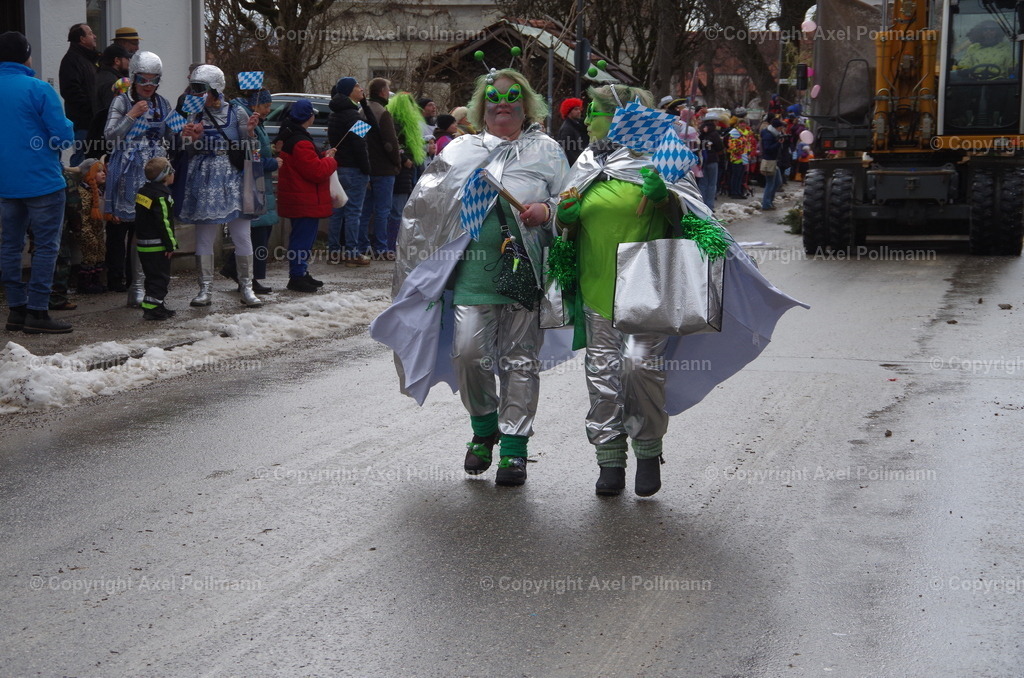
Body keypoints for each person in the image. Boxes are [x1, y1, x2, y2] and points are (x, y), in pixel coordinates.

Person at [555, 84, 807, 497]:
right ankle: (609, 460)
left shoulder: (658, 160)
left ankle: (649, 448)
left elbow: (693, 215)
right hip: (594, 286)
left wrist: (664, 199)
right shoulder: (586, 162)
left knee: (638, 366)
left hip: (647, 286)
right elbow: (562, 221)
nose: (586, 119)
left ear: (620, 116)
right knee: (602, 376)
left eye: (594, 112)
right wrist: (563, 217)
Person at [370, 69, 569, 487]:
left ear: (526, 104)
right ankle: (483, 428)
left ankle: (514, 447)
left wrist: (548, 211)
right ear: (481, 106)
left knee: (520, 360)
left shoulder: (548, 151)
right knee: (468, 354)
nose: (503, 103)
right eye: (494, 97)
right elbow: (425, 206)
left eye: (513, 96)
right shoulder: (461, 150)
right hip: (472, 274)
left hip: (526, 273)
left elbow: (570, 202)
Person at [0, 31, 75, 334]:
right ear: (26, 56)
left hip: (5, 183)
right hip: (42, 181)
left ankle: (16, 310)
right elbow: (63, 136)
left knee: (10, 246)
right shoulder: (38, 89)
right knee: (45, 247)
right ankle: (38, 312)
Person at [179, 64, 263, 307]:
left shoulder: (237, 112)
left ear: (214, 89)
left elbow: (252, 150)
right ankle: (205, 289)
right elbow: (187, 150)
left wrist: (250, 133)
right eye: (194, 90)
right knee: (204, 235)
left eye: (201, 90)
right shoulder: (192, 113)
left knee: (241, 234)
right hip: (204, 178)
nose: (196, 96)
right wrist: (190, 138)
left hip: (234, 178)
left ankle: (247, 287)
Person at [103, 51, 176, 306]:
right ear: (133, 78)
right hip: (129, 170)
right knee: (131, 228)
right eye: (143, 80)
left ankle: (150, 285)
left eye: (153, 80)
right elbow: (110, 137)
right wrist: (132, 114)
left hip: (155, 170)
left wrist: (189, 130)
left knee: (151, 226)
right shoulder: (122, 102)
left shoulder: (163, 103)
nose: (148, 86)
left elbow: (174, 133)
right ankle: (133, 286)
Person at [221, 85, 280, 294]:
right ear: (255, 103)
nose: (268, 110)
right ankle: (246, 277)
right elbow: (250, 155)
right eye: (265, 105)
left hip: (258, 181)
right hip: (253, 181)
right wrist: (273, 162)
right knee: (256, 234)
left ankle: (240, 273)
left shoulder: (255, 119)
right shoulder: (245, 119)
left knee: (259, 233)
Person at [275, 99, 338, 293]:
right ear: (309, 117)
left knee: (303, 238)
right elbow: (316, 171)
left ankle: (301, 272)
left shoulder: (292, 135)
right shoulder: (301, 141)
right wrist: (330, 161)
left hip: (300, 196)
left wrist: (322, 156)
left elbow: (307, 164)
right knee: (302, 240)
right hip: (303, 198)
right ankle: (297, 275)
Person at [326, 76, 371, 265]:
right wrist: (367, 169)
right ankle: (352, 252)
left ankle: (334, 250)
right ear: (349, 91)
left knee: (337, 211)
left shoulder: (334, 113)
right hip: (354, 168)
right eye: (357, 86)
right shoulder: (353, 115)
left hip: (339, 168)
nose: (361, 89)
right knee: (353, 212)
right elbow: (360, 145)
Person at [362, 77, 402, 259]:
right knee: (383, 211)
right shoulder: (382, 112)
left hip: (366, 167)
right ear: (382, 92)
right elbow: (390, 142)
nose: (389, 93)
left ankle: (362, 245)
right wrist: (396, 162)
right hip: (383, 169)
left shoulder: (362, 111)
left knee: (365, 210)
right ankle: (381, 248)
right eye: (388, 89)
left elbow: (359, 139)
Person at [133, 156, 177, 319]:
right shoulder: (161, 196)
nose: (174, 173)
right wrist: (170, 244)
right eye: (171, 171)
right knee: (160, 278)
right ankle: (153, 310)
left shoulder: (144, 192)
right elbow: (164, 222)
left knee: (151, 276)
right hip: (158, 245)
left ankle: (153, 304)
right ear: (165, 176)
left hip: (144, 244)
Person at [384, 92, 426, 260]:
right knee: (396, 210)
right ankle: (390, 245)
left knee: (400, 210)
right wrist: (404, 158)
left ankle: (394, 244)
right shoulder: (397, 123)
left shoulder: (400, 122)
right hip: (401, 171)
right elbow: (391, 144)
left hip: (406, 170)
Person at [59, 23, 99, 167]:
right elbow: (71, 91)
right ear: (82, 39)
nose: (94, 36)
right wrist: (90, 111)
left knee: (91, 161)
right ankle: (76, 188)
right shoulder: (71, 60)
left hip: (91, 122)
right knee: (81, 162)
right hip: (83, 123)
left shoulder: (88, 60)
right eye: (90, 33)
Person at [75, 158, 110, 293]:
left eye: (103, 171)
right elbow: (82, 217)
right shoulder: (83, 193)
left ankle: (96, 281)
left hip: (97, 230)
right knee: (90, 255)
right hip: (87, 231)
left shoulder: (97, 191)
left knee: (99, 252)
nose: (103, 174)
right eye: (98, 171)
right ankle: (85, 284)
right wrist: (87, 233)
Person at [697, 119, 723, 210]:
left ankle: (701, 204)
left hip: (702, 160)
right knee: (712, 184)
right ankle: (710, 205)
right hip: (713, 160)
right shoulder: (715, 134)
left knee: (703, 183)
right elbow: (720, 147)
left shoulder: (701, 135)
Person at [759, 118, 785, 210]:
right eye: (781, 127)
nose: (781, 129)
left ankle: (769, 201)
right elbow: (768, 148)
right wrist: (778, 143)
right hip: (769, 161)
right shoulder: (768, 135)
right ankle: (766, 204)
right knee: (770, 183)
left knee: (777, 182)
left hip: (773, 161)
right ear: (777, 127)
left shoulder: (771, 133)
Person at [555, 97, 588, 165]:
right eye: (575, 109)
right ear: (568, 111)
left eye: (579, 109)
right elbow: (568, 152)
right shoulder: (567, 129)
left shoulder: (576, 125)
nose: (579, 112)